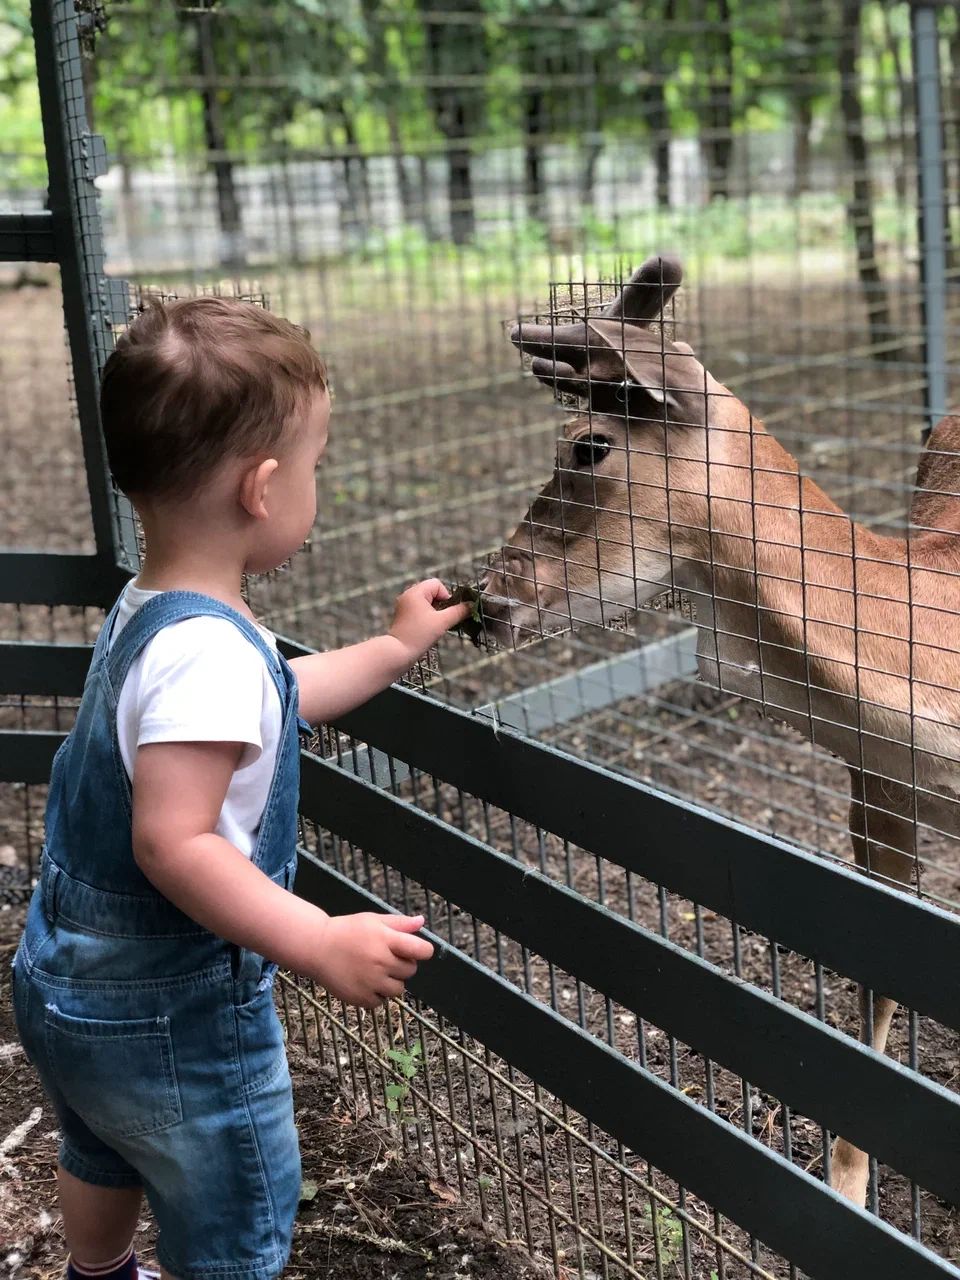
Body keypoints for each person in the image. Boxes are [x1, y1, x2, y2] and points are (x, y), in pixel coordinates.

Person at [12, 296, 469, 1280]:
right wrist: (316, 936)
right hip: (170, 1012)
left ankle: (96, 1273)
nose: (317, 483)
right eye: (315, 464)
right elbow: (174, 841)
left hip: (68, 979)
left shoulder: (159, 611)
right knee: (238, 1213)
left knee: (101, 1142)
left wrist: (392, 647)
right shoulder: (206, 655)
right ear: (262, 488)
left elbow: (269, 698)